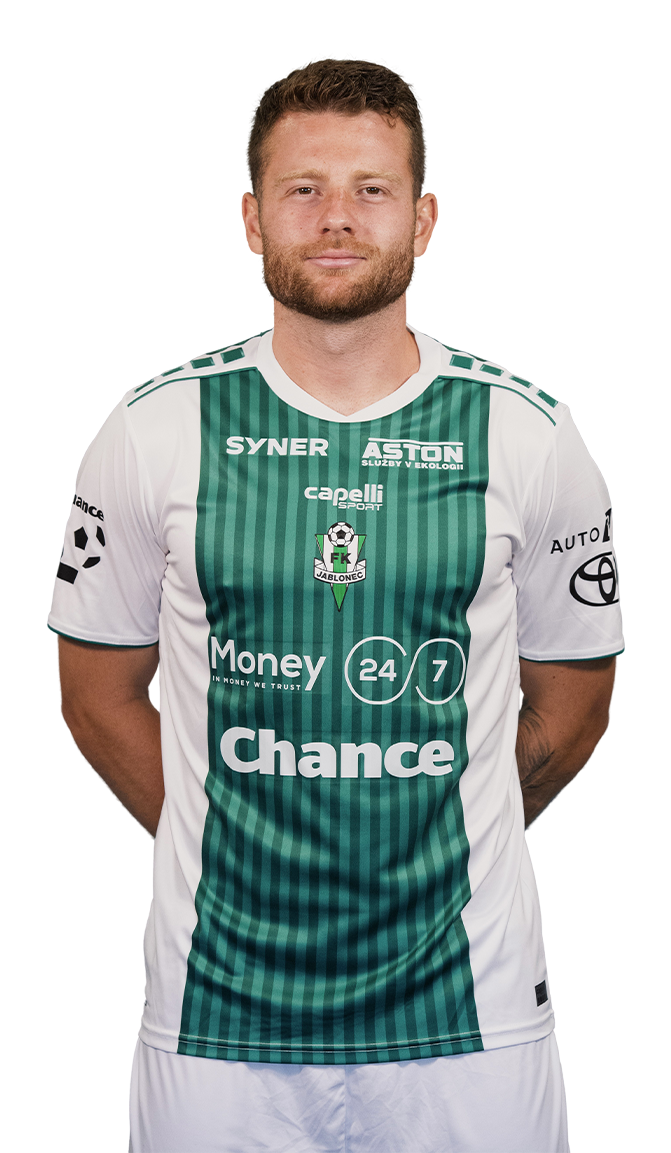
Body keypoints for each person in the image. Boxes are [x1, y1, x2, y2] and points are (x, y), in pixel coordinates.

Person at [49, 58, 623, 1153]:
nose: (336, 218)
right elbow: (93, 691)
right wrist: (224, 842)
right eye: (303, 188)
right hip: (218, 1007)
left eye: (370, 189)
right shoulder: (151, 429)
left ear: (426, 219)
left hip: (470, 1013)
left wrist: (445, 825)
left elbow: (575, 699)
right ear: (247, 218)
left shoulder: (528, 433)